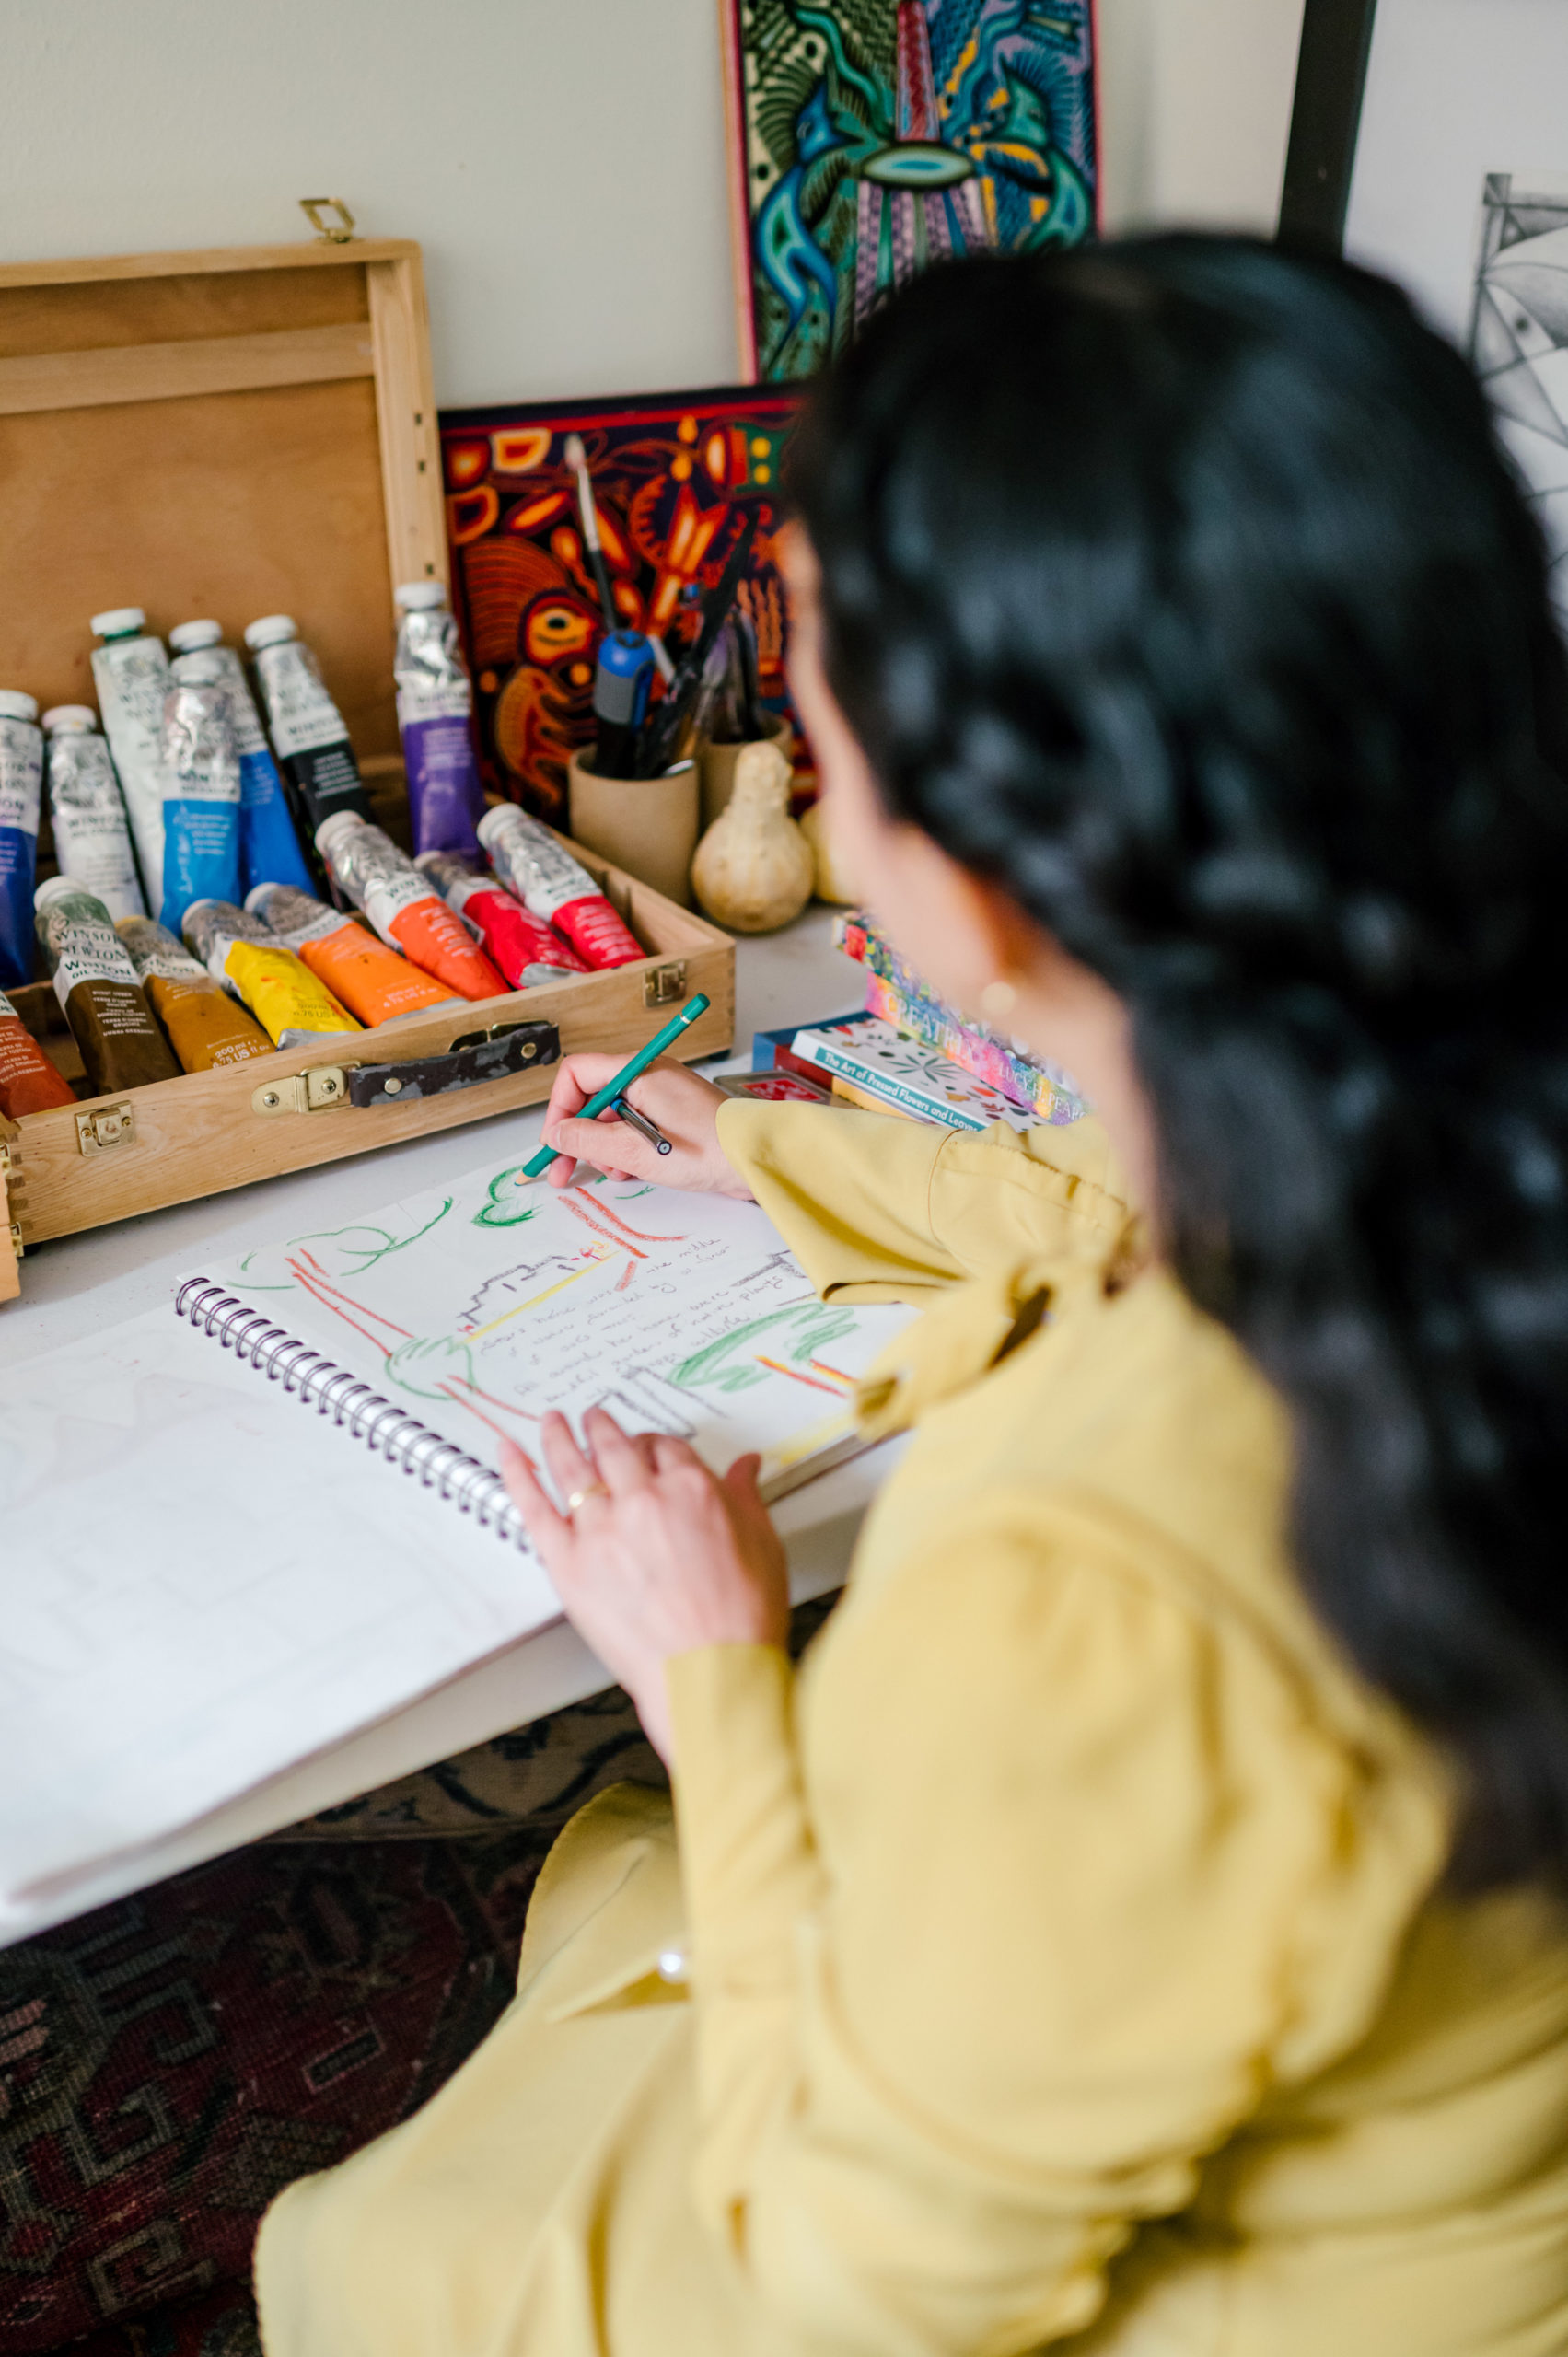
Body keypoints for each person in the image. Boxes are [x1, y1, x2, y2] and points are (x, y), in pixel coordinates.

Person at [255, 238, 1568, 2355]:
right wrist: (774, 1142)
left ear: (961, 842)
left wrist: (712, 1681)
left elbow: (860, 2297)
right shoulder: (1433, 1126)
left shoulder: (1094, 1569)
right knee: (611, 1883)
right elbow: (1114, 1218)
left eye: (818, 692)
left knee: (371, 2241)